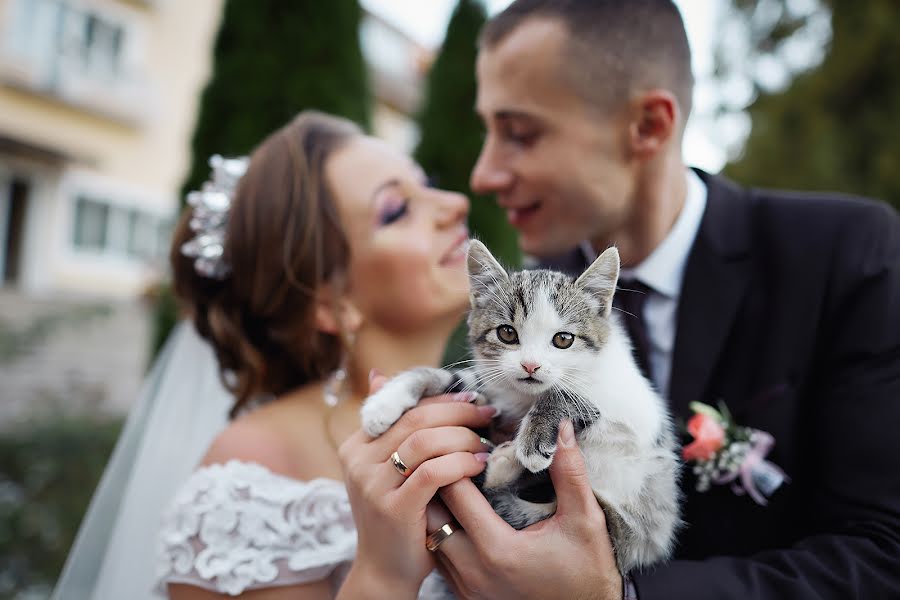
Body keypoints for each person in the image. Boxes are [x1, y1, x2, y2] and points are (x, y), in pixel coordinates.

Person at [417, 1, 900, 599]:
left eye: (520, 134)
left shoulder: (844, 254)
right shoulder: (525, 307)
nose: (484, 174)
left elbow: (883, 553)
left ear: (647, 126)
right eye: (487, 131)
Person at [53, 110, 505, 600]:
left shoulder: (510, 402)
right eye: (396, 210)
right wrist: (383, 573)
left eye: (429, 184)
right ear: (330, 302)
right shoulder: (252, 474)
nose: (456, 203)